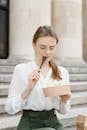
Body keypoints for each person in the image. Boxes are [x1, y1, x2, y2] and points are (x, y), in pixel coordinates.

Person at [5, 25, 71, 130]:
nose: (47, 52)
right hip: (29, 124)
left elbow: (64, 111)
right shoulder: (21, 70)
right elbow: (9, 108)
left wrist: (64, 100)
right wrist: (28, 89)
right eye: (42, 47)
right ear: (34, 45)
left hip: (53, 122)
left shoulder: (62, 72)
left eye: (52, 48)